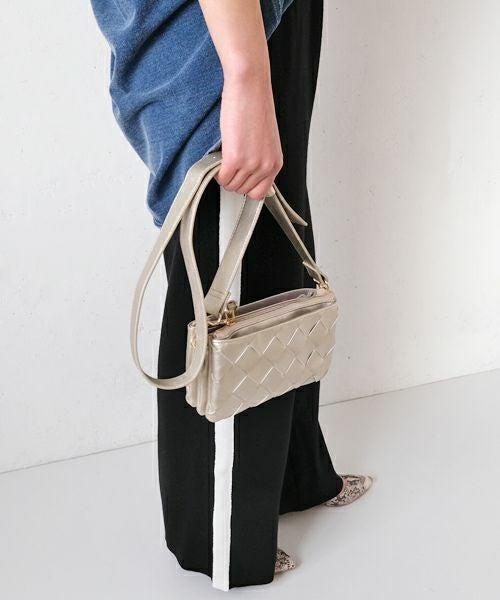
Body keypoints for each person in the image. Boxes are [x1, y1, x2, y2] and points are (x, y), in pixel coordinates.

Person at [90, 0, 373, 591]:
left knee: (275, 244)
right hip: (215, 32)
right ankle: (218, 538)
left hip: (266, 17)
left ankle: (291, 477)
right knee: (224, 270)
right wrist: (244, 76)